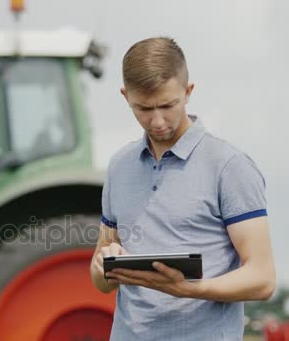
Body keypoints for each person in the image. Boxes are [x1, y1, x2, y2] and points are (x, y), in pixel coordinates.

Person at [89, 37, 276, 340]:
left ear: (188, 92)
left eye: (168, 105)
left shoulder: (229, 166)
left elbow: (263, 279)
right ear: (125, 97)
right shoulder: (119, 166)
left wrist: (189, 289)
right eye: (143, 108)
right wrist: (102, 266)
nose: (157, 120)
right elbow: (101, 280)